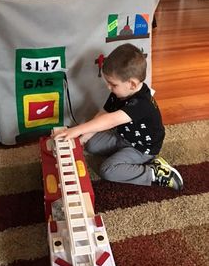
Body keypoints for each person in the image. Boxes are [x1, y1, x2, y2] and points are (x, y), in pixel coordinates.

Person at [54, 43, 183, 191]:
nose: (109, 88)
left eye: (113, 84)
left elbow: (110, 120)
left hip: (141, 148)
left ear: (132, 84)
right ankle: (118, 152)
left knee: (107, 170)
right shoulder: (121, 93)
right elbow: (104, 114)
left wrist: (77, 130)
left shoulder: (142, 103)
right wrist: (83, 137)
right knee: (91, 144)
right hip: (122, 136)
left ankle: (155, 173)